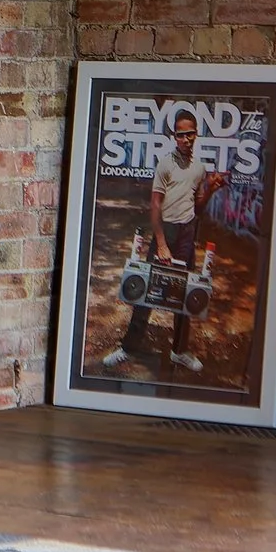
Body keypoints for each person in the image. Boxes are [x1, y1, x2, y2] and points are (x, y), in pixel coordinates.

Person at [109, 109, 220, 374]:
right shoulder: (165, 164)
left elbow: (198, 208)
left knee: (184, 294)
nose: (186, 139)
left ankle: (179, 351)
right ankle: (128, 347)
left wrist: (211, 190)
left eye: (190, 134)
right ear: (174, 136)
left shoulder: (199, 168)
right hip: (166, 231)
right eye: (181, 135)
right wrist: (160, 243)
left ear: (196, 134)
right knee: (147, 290)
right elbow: (155, 205)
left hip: (186, 233)